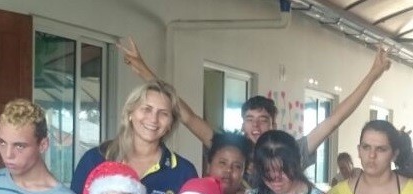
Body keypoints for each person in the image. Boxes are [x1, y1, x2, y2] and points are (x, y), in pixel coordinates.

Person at [121, 38, 392, 170]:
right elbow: (187, 116)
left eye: (263, 120)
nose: (256, 126)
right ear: (242, 123)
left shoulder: (293, 151)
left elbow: (333, 120)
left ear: (274, 124)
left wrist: (372, 75)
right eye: (250, 119)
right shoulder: (227, 146)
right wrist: (145, 72)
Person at [70, 80, 197, 194]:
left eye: (163, 114)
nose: (153, 119)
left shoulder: (183, 172)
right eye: (146, 109)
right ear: (130, 113)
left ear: (171, 123)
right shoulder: (95, 159)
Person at [326, 120, 413, 194]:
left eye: (381, 149)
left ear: (394, 154)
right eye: (366, 147)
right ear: (359, 151)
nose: (372, 155)